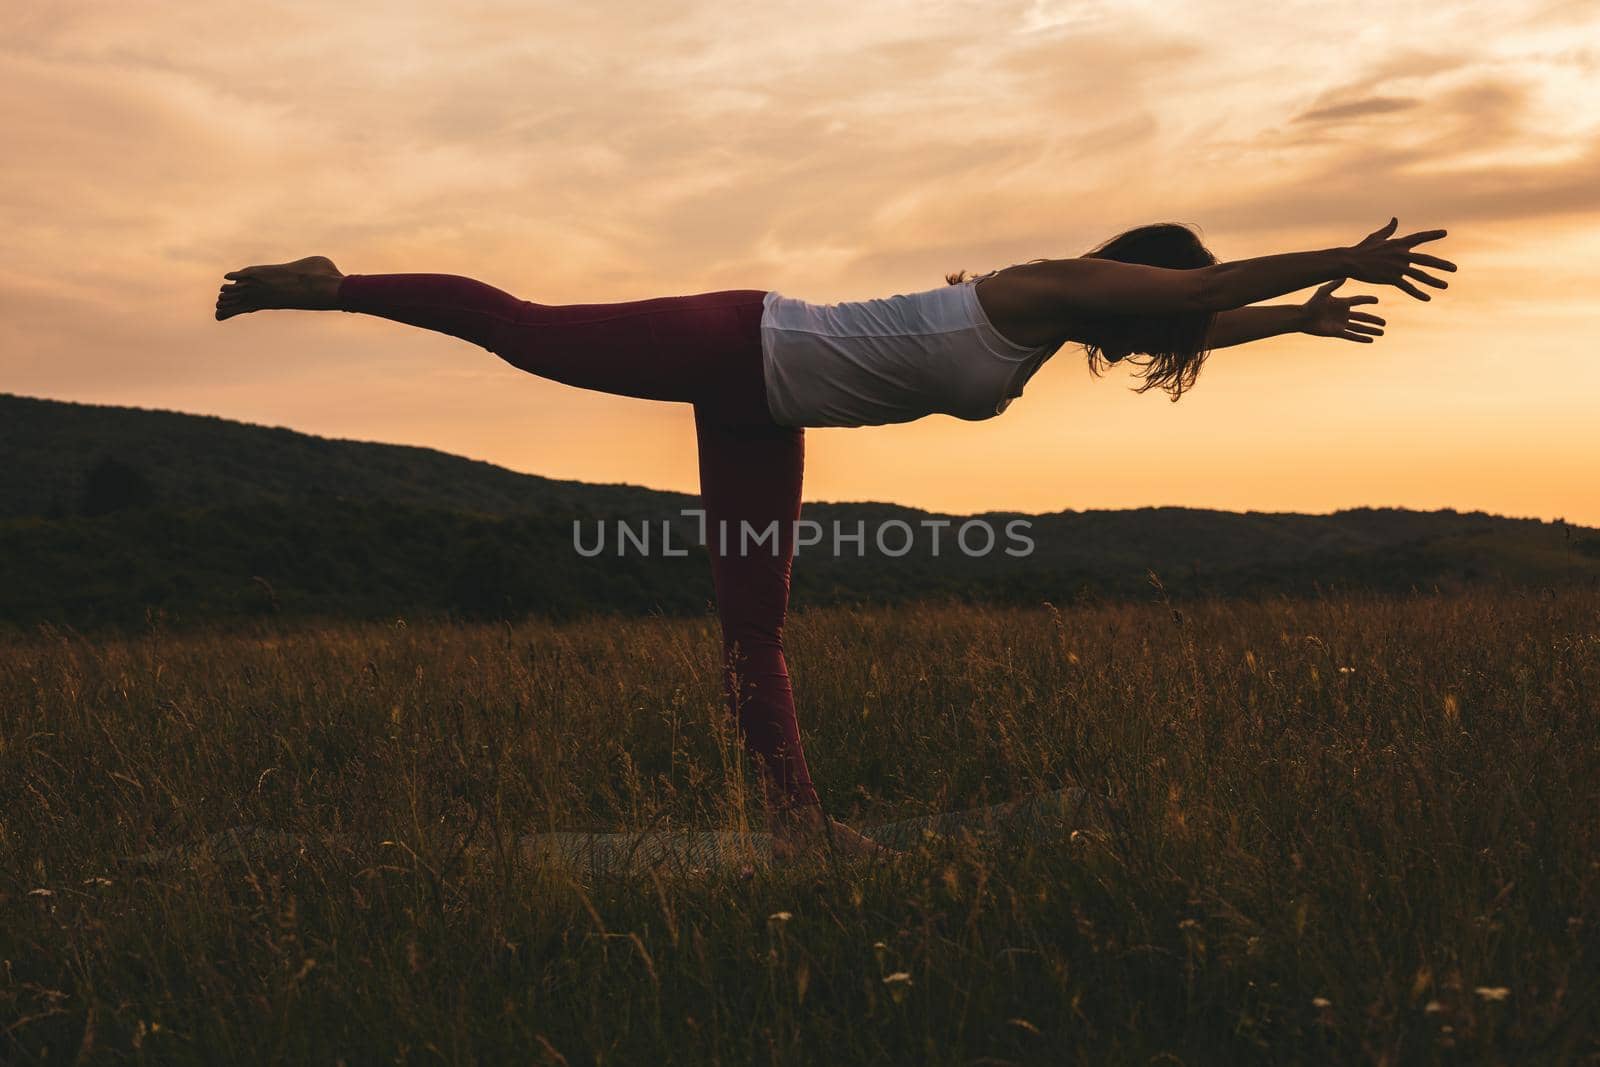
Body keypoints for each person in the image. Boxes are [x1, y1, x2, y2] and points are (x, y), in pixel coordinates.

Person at [214, 217, 1454, 864]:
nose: (1147, 343)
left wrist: (1294, 318)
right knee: (526, 331)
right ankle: (331, 283)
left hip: (764, 401)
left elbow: (1187, 318)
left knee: (756, 621)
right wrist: (1339, 256)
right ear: (1127, 275)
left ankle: (792, 818)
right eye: (1157, 308)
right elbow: (1185, 297)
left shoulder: (1048, 329)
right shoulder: (1042, 283)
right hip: (736, 341)